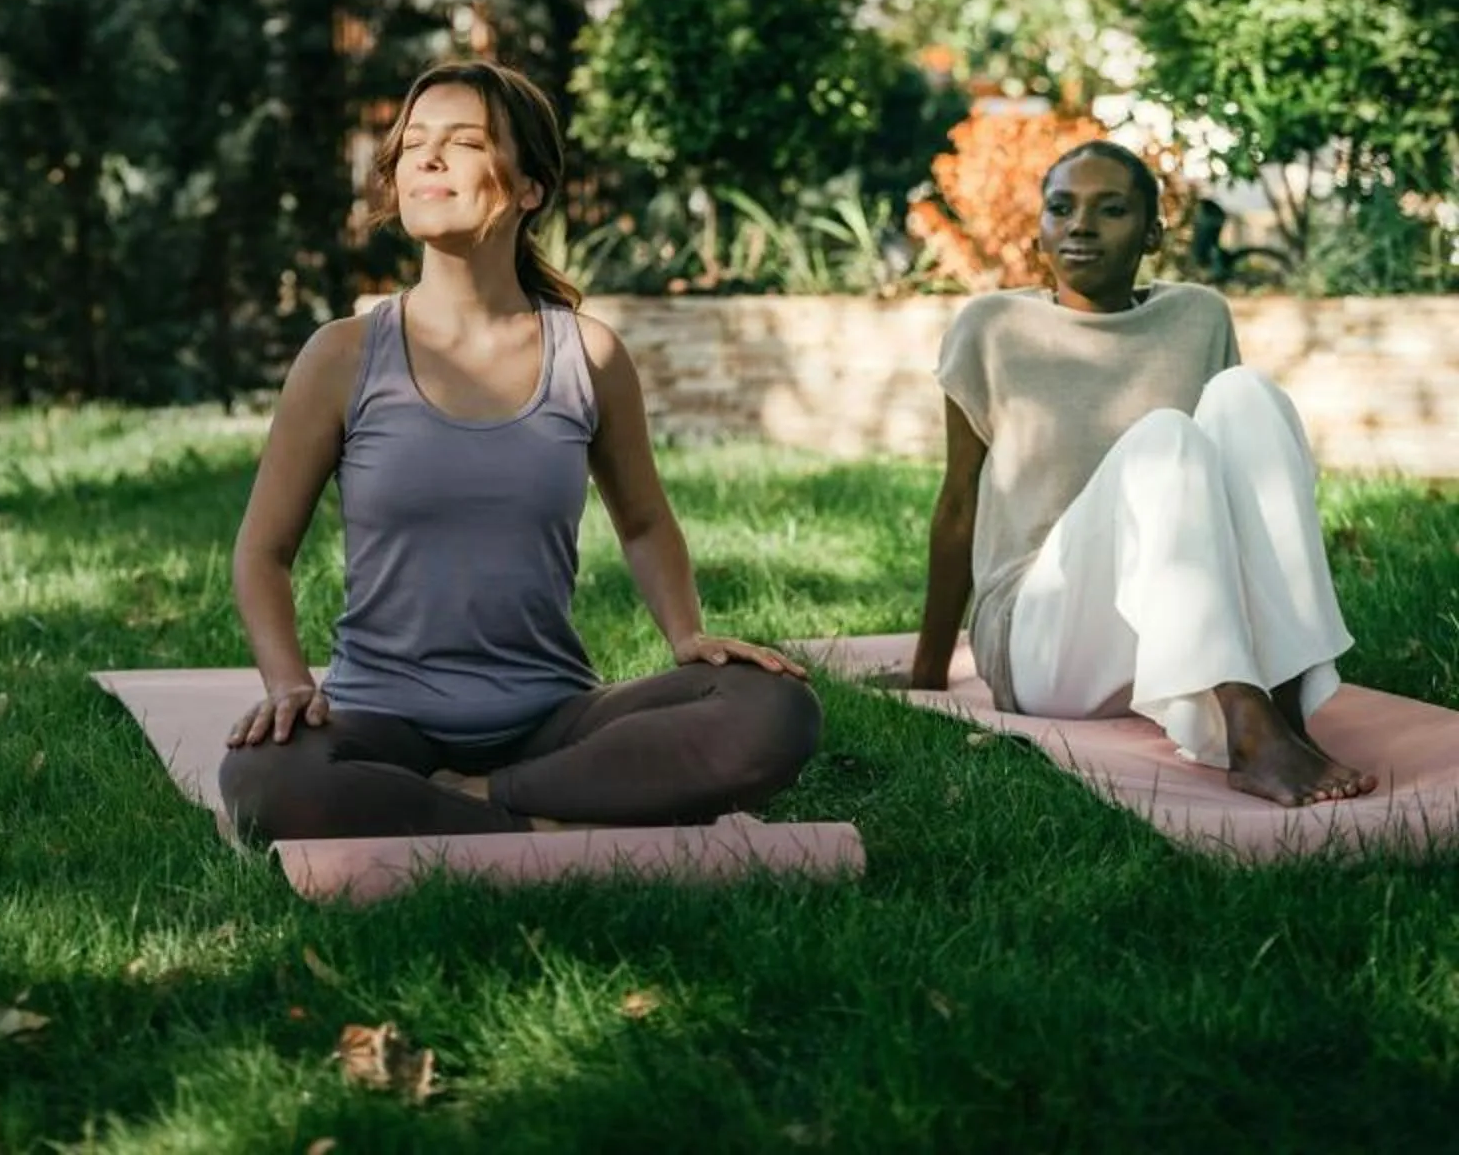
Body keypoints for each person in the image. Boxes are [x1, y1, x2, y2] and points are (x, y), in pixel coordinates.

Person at [219, 60, 820, 842]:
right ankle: (550, 810)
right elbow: (262, 552)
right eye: (414, 144)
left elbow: (642, 523)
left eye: (463, 142)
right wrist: (289, 684)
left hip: (552, 715)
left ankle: (468, 802)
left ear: (530, 187)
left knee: (772, 708)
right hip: (382, 717)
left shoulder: (589, 356)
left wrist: (686, 637)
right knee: (268, 778)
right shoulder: (342, 355)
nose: (426, 160)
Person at [901, 138, 1377, 808]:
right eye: (1061, 208)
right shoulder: (992, 326)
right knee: (1165, 437)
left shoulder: (1198, 316)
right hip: (1043, 638)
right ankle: (1245, 725)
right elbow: (958, 504)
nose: (1080, 226)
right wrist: (928, 677)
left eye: (1111, 209)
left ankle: (1284, 707)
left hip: (1163, 637)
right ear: (1040, 231)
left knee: (1248, 394)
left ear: (1153, 231)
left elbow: (1239, 478)